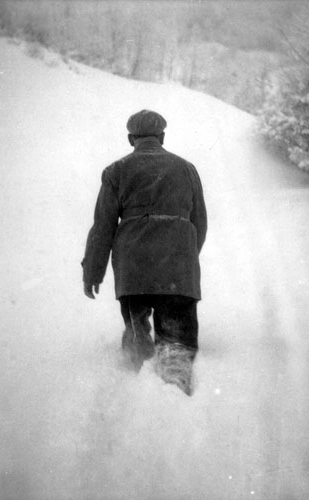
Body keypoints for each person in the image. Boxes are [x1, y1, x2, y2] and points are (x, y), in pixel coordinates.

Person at [82, 110, 207, 395]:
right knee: (176, 340)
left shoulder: (116, 171)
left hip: (133, 266)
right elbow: (199, 222)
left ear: (131, 139)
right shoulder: (186, 169)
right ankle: (176, 390)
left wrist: (93, 272)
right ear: (162, 137)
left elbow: (103, 227)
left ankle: (132, 389)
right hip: (177, 266)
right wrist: (185, 256)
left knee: (137, 334)